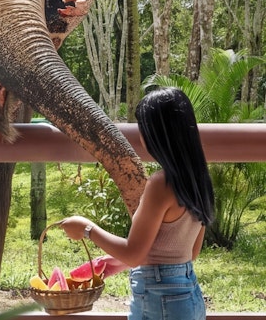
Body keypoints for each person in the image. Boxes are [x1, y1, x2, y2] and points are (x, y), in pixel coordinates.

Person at [60, 87, 214, 320]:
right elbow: (188, 252)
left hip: (159, 300)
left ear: (156, 134)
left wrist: (86, 229)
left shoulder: (160, 184)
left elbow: (134, 254)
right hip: (188, 294)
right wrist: (120, 261)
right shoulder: (199, 178)